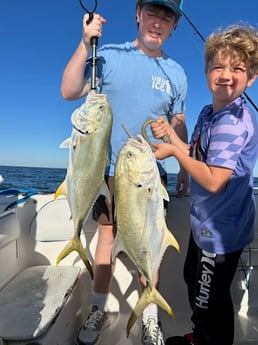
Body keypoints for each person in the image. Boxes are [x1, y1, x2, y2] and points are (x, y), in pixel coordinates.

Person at [61, 1, 189, 344]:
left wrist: (183, 164)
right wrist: (85, 41)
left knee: (151, 241)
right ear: (138, 13)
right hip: (109, 171)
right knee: (106, 240)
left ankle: (150, 317)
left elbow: (179, 123)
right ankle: (99, 309)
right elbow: (70, 90)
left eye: (167, 17)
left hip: (150, 174)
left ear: (175, 25)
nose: (158, 22)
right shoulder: (111, 56)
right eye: (152, 12)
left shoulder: (176, 73)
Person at [151, 24, 258, 345]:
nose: (226, 74)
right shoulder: (209, 112)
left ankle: (210, 340)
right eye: (218, 66)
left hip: (222, 229)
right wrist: (172, 136)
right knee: (193, 279)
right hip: (206, 223)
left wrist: (170, 152)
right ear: (207, 72)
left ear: (251, 79)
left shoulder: (233, 122)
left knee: (209, 297)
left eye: (238, 68)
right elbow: (197, 155)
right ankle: (200, 334)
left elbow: (212, 179)